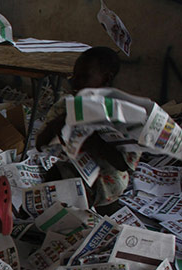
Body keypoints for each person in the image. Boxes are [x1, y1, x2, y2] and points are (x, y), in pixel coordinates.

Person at [35, 46, 140, 208]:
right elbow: (39, 144)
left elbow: (123, 165)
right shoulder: (65, 105)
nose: (75, 83)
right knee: (54, 175)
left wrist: (92, 140)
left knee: (83, 197)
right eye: (74, 76)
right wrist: (61, 121)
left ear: (106, 79)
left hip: (106, 181)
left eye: (84, 77)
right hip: (75, 170)